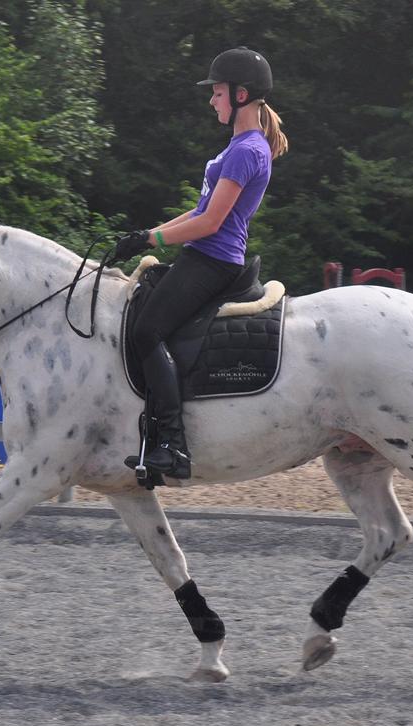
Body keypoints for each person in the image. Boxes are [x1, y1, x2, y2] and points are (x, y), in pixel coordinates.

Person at [114, 46, 289, 479]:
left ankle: (173, 443)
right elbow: (197, 213)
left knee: (146, 330)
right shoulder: (239, 146)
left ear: (241, 95)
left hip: (214, 260)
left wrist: (152, 238)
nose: (212, 99)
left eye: (217, 92)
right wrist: (144, 237)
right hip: (205, 256)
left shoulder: (247, 150)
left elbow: (211, 223)